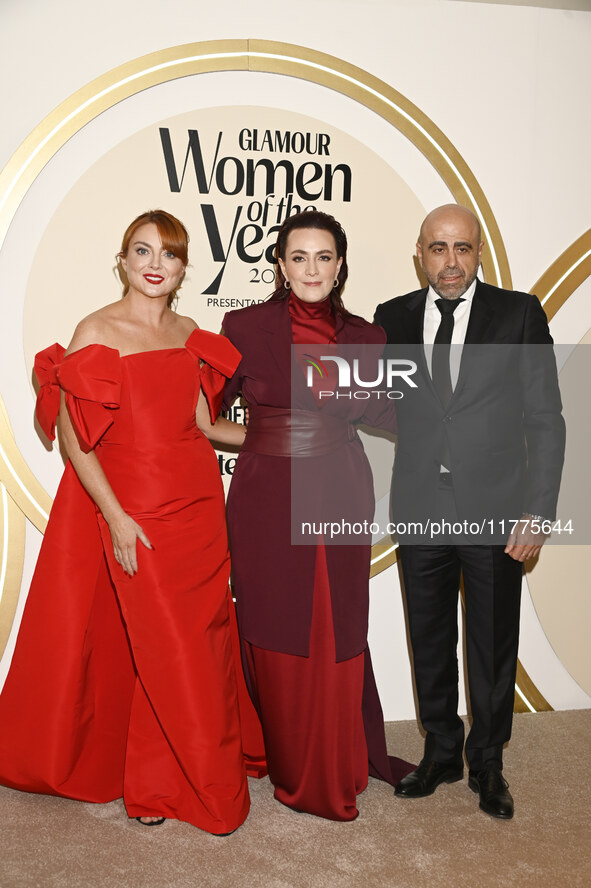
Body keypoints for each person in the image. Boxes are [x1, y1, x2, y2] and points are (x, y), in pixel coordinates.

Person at [0, 210, 255, 833]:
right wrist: (115, 517)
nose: (153, 264)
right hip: (134, 508)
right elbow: (74, 439)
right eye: (142, 251)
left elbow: (202, 425)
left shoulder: (190, 331)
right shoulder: (96, 329)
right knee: (167, 644)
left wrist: (279, 435)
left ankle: (157, 773)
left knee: (195, 639)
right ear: (121, 260)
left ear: (183, 269)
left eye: (168, 255)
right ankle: (186, 785)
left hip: (196, 505)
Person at [374, 204, 565, 819]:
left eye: (462, 248)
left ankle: (488, 761)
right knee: (427, 636)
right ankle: (442, 750)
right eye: (437, 249)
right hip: (421, 504)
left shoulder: (518, 314)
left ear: (479, 252)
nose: (450, 262)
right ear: (420, 254)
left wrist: (538, 512)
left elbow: (547, 420)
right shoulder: (392, 317)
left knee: (490, 640)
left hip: (497, 508)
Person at [222, 209, 413, 822]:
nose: (311, 268)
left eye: (323, 257)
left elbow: (392, 415)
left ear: (340, 267)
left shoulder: (367, 338)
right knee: (275, 621)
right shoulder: (243, 326)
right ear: (279, 264)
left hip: (339, 487)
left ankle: (333, 763)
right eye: (298, 257)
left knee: (333, 622)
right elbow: (203, 413)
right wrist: (261, 442)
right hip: (267, 494)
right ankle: (286, 756)